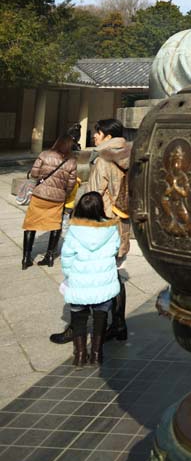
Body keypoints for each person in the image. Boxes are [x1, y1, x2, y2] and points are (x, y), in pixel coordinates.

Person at [50, 118, 131, 345]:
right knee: (114, 274)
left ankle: (76, 330)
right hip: (120, 223)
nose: (93, 136)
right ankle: (118, 325)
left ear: (106, 134)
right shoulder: (129, 155)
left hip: (99, 224)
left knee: (84, 275)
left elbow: (94, 194)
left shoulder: (104, 157)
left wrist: (79, 218)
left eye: (96, 132)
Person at [61, 191, 120, 367]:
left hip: (79, 282)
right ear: (100, 208)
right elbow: (115, 250)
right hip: (103, 283)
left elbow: (67, 258)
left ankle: (79, 356)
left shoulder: (74, 231)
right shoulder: (111, 229)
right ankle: (96, 355)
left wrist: (69, 276)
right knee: (100, 318)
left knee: (78, 318)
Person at [21, 134, 78, 269]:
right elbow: (71, 184)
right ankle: (50, 256)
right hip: (57, 198)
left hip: (39, 195)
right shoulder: (71, 161)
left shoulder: (45, 154)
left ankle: (26, 258)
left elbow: (34, 174)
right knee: (55, 225)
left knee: (31, 224)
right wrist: (64, 193)